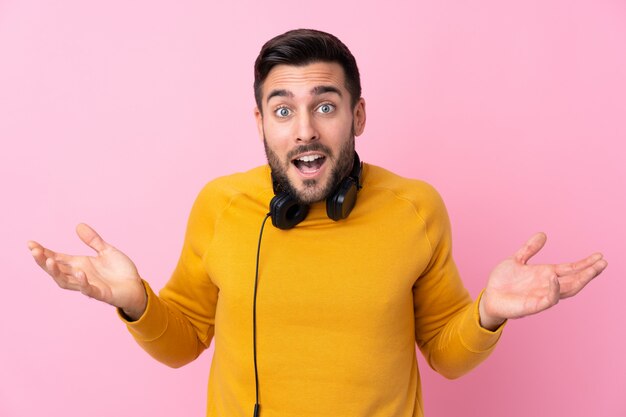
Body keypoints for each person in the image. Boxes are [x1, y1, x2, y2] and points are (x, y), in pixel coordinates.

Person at [28, 29, 607, 417]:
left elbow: (445, 355)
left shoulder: (415, 208)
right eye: (283, 110)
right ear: (261, 122)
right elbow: (183, 345)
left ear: (356, 114)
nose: (304, 129)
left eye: (325, 106)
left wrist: (486, 313)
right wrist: (136, 302)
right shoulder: (220, 206)